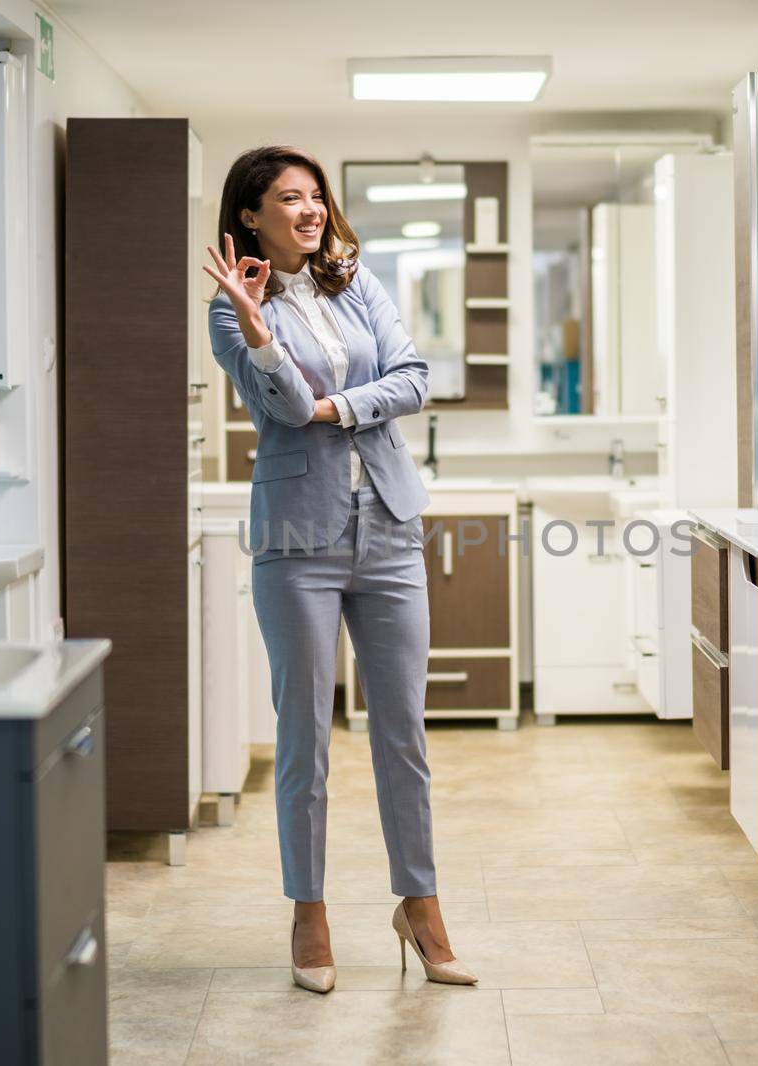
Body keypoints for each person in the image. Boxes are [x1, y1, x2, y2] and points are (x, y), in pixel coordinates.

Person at [204, 145, 475, 994]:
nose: (311, 210)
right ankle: (308, 912)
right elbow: (281, 407)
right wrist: (257, 330)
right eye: (290, 198)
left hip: (389, 526)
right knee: (304, 741)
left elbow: (414, 377)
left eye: (316, 196)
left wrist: (339, 406)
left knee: (403, 733)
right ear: (252, 214)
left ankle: (420, 906)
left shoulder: (356, 283)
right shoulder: (228, 310)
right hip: (296, 539)